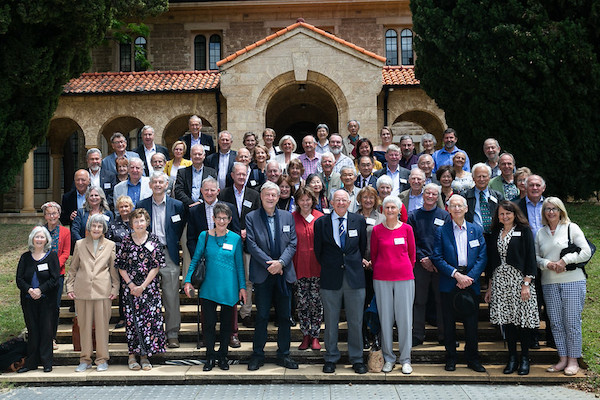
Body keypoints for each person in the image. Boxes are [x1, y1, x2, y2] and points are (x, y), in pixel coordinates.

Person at [184, 203, 247, 371]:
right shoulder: (204, 236)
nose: (221, 221)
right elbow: (195, 259)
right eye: (218, 218)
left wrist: (242, 287)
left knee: (227, 325)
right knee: (209, 324)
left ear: (230, 219)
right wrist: (188, 281)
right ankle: (210, 356)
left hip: (229, 287)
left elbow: (240, 265)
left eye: (225, 218)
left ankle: (223, 356)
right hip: (208, 287)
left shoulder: (234, 238)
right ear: (213, 218)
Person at [431, 194, 487, 373]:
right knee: (449, 324)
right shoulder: (441, 231)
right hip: (450, 282)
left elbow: (482, 256)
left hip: (471, 282)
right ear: (448, 209)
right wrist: (456, 275)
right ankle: (451, 357)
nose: (456, 209)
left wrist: (469, 277)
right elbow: (437, 257)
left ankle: (472, 358)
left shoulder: (476, 230)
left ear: (466, 208)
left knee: (471, 324)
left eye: (460, 206)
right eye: (453, 206)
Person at [245, 182, 298, 371]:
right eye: (267, 194)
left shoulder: (287, 217)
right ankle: (257, 355)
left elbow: (292, 243)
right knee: (261, 316)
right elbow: (251, 245)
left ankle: (284, 354)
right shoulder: (251, 217)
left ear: (278, 197)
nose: (270, 198)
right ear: (261, 196)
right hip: (263, 274)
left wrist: (281, 263)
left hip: (284, 274)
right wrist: (271, 264)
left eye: (274, 195)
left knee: (285, 317)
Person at [314, 189, 368, 374]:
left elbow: (362, 247)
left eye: (344, 200)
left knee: (356, 321)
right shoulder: (321, 223)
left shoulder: (358, 221)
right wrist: (332, 265)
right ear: (331, 202)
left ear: (349, 202)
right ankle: (331, 357)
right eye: (337, 200)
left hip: (355, 278)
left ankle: (357, 358)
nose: (341, 203)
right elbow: (318, 252)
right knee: (330, 321)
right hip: (331, 278)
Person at [535, 197, 590, 376]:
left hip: (572, 280)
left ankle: (573, 360)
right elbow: (535, 257)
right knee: (556, 323)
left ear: (561, 211)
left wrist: (564, 260)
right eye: (547, 209)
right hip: (549, 282)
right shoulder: (540, 233)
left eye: (554, 209)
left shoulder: (571, 228)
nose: (551, 212)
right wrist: (547, 264)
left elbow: (586, 252)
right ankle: (563, 358)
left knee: (571, 322)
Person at [485, 200, 539, 375]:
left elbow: (531, 258)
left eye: (508, 213)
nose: (505, 216)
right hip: (500, 282)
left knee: (522, 322)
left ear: (515, 214)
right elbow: (491, 262)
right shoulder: (495, 233)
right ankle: (512, 358)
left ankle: (524, 358)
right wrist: (490, 287)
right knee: (507, 323)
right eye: (501, 213)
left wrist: (526, 284)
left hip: (520, 282)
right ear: (498, 216)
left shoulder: (524, 231)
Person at [137, 172, 187, 348]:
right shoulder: (141, 205)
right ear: (150, 185)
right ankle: (151, 332)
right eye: (155, 182)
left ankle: (172, 333)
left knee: (171, 295)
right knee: (148, 296)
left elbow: (179, 229)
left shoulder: (178, 206)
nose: (158, 185)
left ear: (167, 185)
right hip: (147, 254)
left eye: (161, 182)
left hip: (168, 253)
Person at [66, 214, 119, 372]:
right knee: (84, 326)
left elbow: (113, 270)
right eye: (94, 226)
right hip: (82, 291)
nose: (96, 229)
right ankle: (85, 359)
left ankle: (102, 359)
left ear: (104, 229)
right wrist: (69, 287)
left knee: (102, 327)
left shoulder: (110, 245)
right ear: (89, 227)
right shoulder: (79, 244)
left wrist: (115, 288)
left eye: (99, 226)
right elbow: (73, 268)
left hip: (103, 291)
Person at [115, 208, 166, 371]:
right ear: (131, 223)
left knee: (148, 322)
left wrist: (143, 286)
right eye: (135, 221)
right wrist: (131, 285)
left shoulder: (154, 240)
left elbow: (156, 265)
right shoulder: (126, 241)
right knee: (132, 322)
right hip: (130, 289)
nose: (139, 224)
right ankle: (132, 356)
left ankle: (144, 356)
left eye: (141, 220)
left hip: (149, 288)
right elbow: (120, 266)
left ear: (147, 222)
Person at [371, 195, 416, 374]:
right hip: (382, 278)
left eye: (393, 207)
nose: (390, 210)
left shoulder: (407, 229)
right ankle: (388, 358)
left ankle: (406, 358)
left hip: (404, 277)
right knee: (386, 319)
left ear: (399, 210)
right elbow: (374, 255)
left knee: (405, 320)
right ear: (383, 210)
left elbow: (412, 255)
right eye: (387, 207)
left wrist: (403, 269)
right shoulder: (376, 230)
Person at [407, 184, 450, 347]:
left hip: (439, 264)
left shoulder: (444, 215)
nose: (430, 196)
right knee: (419, 300)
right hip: (420, 263)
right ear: (423, 195)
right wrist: (423, 258)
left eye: (434, 193)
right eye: (428, 193)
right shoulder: (413, 215)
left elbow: (445, 239)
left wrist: (434, 259)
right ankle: (418, 334)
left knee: (441, 301)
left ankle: (444, 334)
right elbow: (411, 240)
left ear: (438, 196)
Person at [219, 166, 260, 328]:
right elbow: (221, 217)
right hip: (229, 243)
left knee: (248, 279)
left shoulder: (254, 195)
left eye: (244, 174)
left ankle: (246, 313)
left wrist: (247, 231)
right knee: (229, 279)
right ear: (232, 175)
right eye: (239, 174)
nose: (241, 177)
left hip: (248, 243)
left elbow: (257, 217)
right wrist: (236, 232)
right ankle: (230, 312)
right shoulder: (223, 194)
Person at [16, 226, 60, 373]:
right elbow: (19, 279)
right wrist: (30, 290)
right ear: (32, 239)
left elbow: (55, 279)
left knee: (46, 331)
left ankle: (47, 363)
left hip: (47, 301)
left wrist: (40, 290)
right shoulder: (25, 257)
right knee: (32, 331)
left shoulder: (52, 256)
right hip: (29, 300)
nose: (39, 239)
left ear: (47, 240)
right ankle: (31, 363)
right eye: (37, 237)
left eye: (42, 237)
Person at [292, 187, 324, 350]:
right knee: (303, 304)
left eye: (308, 199)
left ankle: (315, 336)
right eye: (302, 200)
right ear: (297, 201)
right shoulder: (291, 218)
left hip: (317, 268)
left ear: (313, 200)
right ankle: (305, 335)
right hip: (299, 268)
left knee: (316, 303)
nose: (305, 203)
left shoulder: (321, 218)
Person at [355, 186, 385, 349]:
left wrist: (373, 260)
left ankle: (376, 334)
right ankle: (362, 335)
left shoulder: (381, 218)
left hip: (377, 267)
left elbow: (385, 242)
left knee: (377, 303)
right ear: (360, 199)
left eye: (371, 197)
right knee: (360, 303)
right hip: (357, 268)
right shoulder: (352, 217)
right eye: (365, 197)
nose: (368, 200)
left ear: (376, 200)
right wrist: (360, 259)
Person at [41, 202, 70, 351]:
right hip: (40, 275)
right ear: (45, 216)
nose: (52, 216)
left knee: (55, 307)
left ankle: (52, 337)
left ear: (59, 215)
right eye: (49, 213)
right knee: (41, 306)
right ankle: (42, 337)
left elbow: (65, 252)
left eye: (54, 213)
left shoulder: (65, 231)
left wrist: (53, 266)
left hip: (57, 274)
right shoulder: (38, 230)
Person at [106, 195, 135, 330]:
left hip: (136, 263)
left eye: (126, 206)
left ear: (131, 207)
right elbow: (109, 243)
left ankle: (136, 315)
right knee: (123, 290)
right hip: (120, 263)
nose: (124, 209)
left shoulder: (137, 222)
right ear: (118, 208)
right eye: (121, 206)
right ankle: (123, 317)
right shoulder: (112, 224)